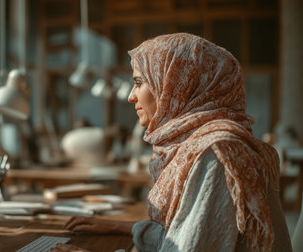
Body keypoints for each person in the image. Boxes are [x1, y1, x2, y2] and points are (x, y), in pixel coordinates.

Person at [52, 33, 292, 252]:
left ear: (176, 86)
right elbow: (180, 237)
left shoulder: (216, 153)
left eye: (138, 82)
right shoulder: (207, 144)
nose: (130, 96)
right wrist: (120, 227)